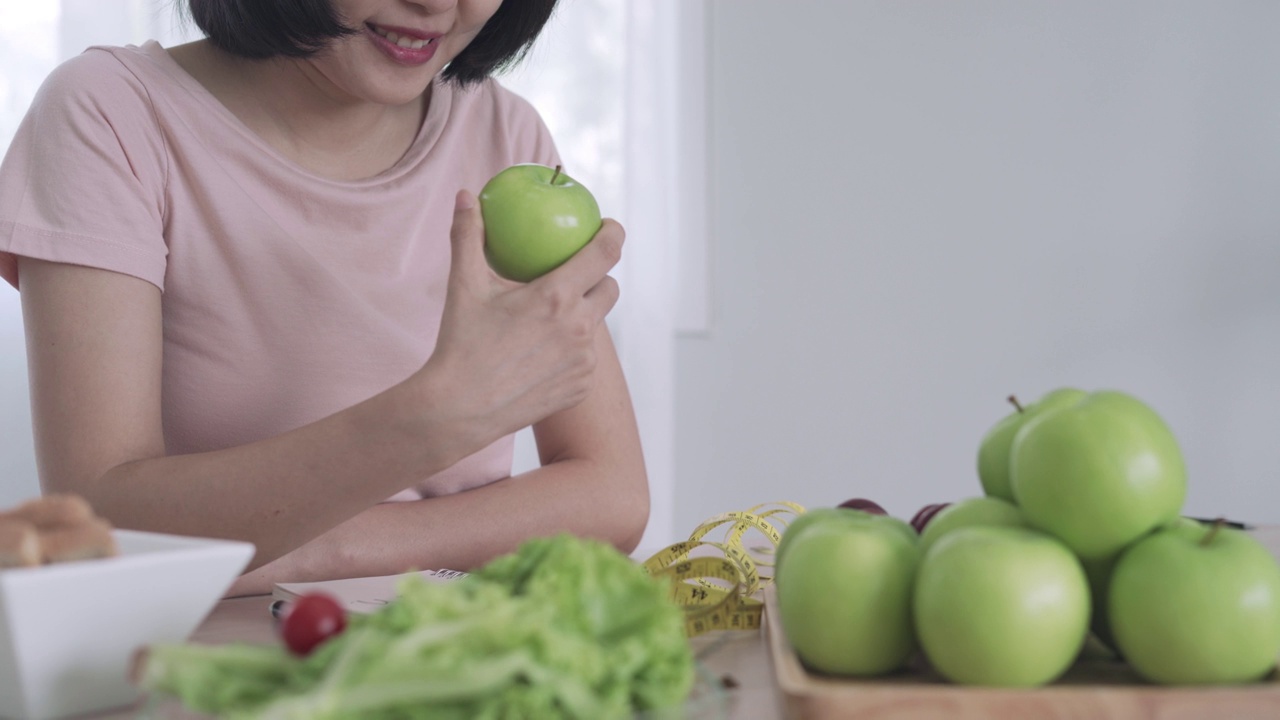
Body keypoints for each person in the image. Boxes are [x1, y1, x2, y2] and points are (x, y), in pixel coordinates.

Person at [0, 0, 648, 596]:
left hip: (454, 649)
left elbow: (611, 495)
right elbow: (102, 519)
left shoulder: (505, 135)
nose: (438, 5)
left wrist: (314, 551)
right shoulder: (110, 114)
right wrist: (438, 415)